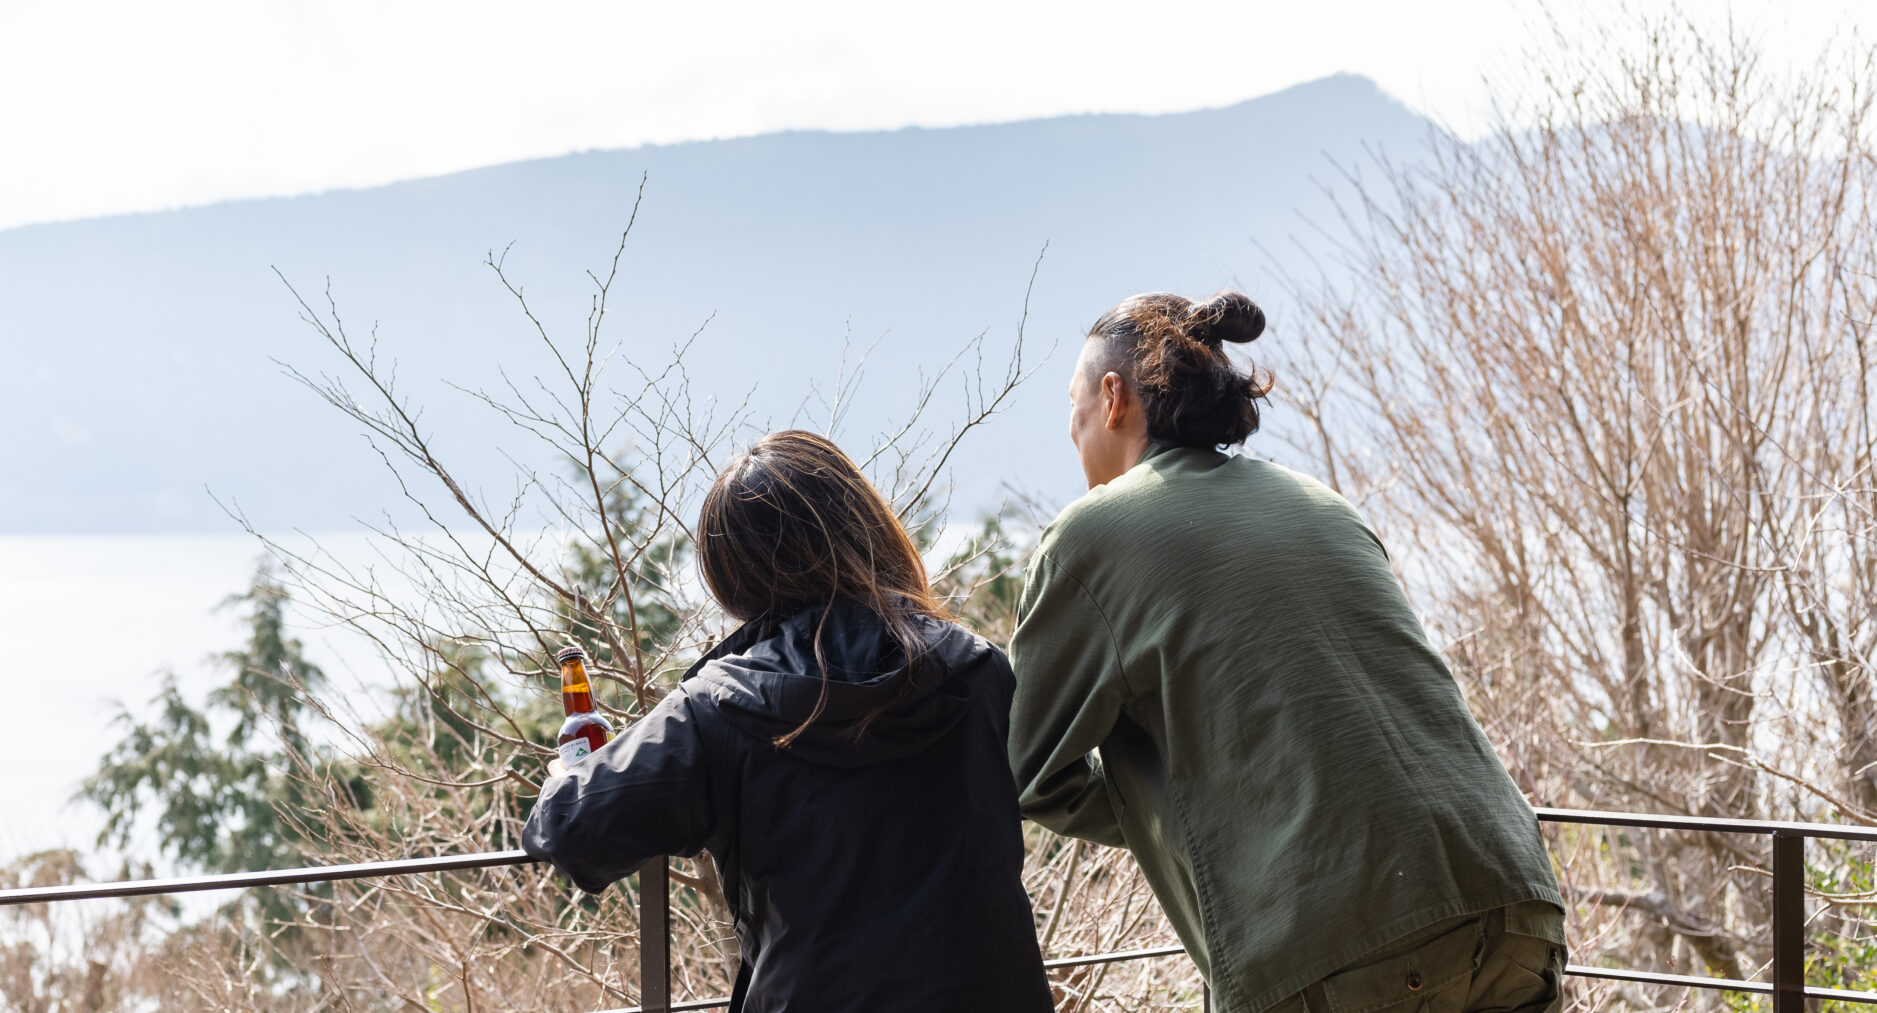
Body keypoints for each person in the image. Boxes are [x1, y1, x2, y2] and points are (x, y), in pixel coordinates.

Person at [1007, 291, 1567, 1013]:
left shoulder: (1090, 536)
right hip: (1513, 898)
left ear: (1112, 398)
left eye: (1072, 403)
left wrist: (1212, 813)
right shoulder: (1319, 500)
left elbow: (1028, 769)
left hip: (1340, 939)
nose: (1072, 427)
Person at [524, 430, 1053, 1013]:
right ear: (867, 527)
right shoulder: (979, 670)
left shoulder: (719, 706)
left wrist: (568, 774)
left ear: (732, 576)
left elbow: (573, 829)